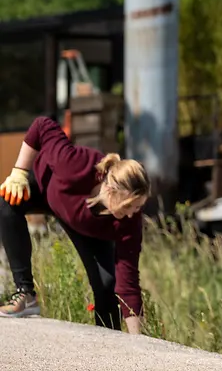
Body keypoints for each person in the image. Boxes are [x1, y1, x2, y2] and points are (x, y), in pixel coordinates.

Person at [0, 115, 151, 334]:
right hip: (47, 190)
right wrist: (19, 172)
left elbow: (128, 284)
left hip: (82, 221)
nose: (132, 215)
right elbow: (42, 125)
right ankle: (25, 294)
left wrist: (140, 343)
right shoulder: (74, 164)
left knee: (108, 285)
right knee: (7, 201)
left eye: (138, 207)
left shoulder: (129, 222)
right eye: (129, 207)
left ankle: (110, 342)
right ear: (110, 190)